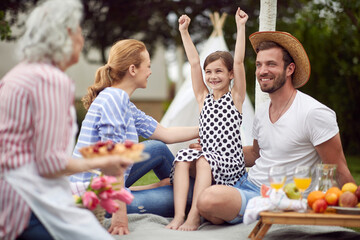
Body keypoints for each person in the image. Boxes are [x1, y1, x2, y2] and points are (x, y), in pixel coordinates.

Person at [0, 0, 133, 239]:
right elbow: (51, 164)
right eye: (80, 31)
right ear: (67, 33)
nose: (82, 40)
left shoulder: (16, 75)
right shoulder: (51, 80)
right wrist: (103, 163)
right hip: (30, 206)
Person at [193, 31, 356, 225]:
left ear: (289, 69)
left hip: (280, 195)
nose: (262, 71)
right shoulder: (262, 111)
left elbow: (337, 167)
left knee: (207, 200)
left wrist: (353, 202)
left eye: (271, 64)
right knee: (186, 177)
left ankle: (237, 212)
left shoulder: (314, 113)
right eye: (259, 65)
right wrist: (209, 151)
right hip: (245, 182)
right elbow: (255, 154)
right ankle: (232, 213)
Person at [69, 39, 199, 235]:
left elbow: (165, 134)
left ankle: (172, 186)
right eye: (147, 66)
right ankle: (189, 194)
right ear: (132, 69)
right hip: (93, 195)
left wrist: (208, 127)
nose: (150, 71)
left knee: (158, 147)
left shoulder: (122, 101)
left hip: (105, 179)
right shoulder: (114, 99)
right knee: (190, 195)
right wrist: (119, 215)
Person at [165, 8, 248, 231]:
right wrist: (184, 31)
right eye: (209, 72)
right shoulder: (203, 98)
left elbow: (239, 61)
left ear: (230, 74)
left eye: (219, 71)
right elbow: (193, 63)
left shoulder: (236, 97)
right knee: (182, 156)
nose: (212, 76)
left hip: (229, 163)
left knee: (204, 160)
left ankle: (195, 215)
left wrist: (240, 27)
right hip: (208, 157)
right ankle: (179, 215)